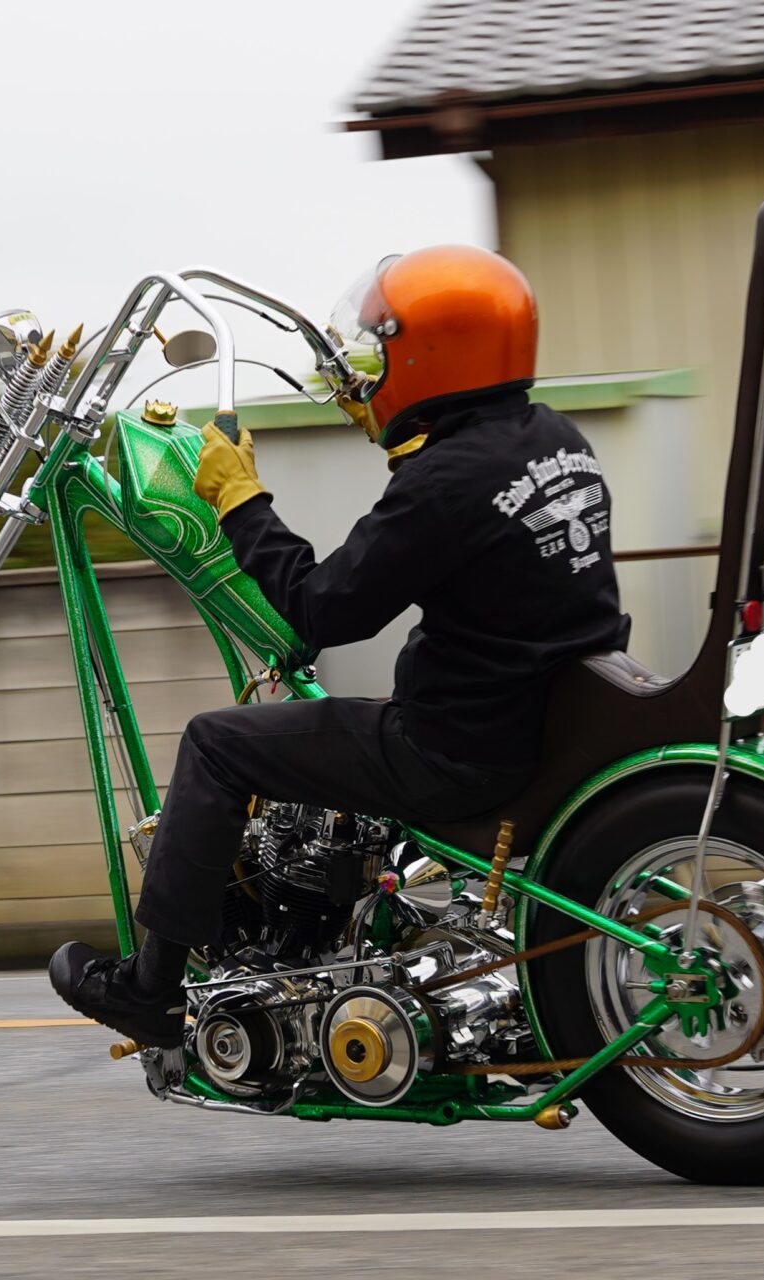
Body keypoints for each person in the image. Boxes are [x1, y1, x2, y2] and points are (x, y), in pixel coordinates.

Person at [48, 246, 630, 1047]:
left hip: (457, 749)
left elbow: (320, 611)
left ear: (428, 354)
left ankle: (150, 989)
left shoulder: (445, 479)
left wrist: (239, 498)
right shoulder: (555, 439)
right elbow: (469, 532)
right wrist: (392, 433)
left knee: (218, 743)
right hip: (548, 723)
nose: (368, 373)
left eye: (380, 353)